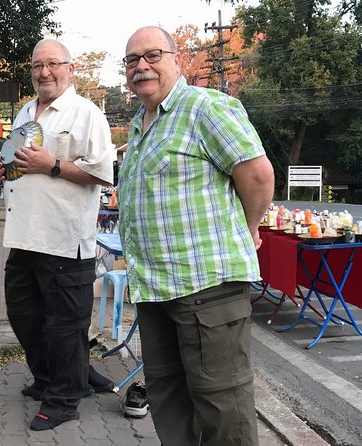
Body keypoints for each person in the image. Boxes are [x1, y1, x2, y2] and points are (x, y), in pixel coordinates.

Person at [118, 27, 275, 445]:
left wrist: (249, 227)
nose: (141, 66)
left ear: (177, 59)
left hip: (207, 287)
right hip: (155, 289)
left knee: (222, 406)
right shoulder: (139, 124)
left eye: (152, 55)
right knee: (169, 398)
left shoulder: (205, 107)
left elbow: (257, 176)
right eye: (132, 60)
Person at [0, 39, 115, 431]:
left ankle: (64, 398)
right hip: (23, 233)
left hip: (64, 237)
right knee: (25, 315)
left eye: (52, 64)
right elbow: (14, 162)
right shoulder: (26, 111)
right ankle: (55, 376)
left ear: (70, 68)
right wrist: (1, 166)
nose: (44, 72)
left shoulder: (86, 113)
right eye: (37, 65)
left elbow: (103, 173)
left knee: (65, 324)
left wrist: (53, 165)